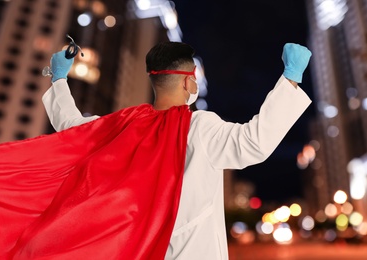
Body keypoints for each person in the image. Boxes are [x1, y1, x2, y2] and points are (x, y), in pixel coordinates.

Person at [41, 41, 312, 259]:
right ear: (187, 82)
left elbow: (72, 126)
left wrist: (59, 79)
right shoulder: (200, 127)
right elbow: (254, 142)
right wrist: (290, 78)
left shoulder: (124, 127)